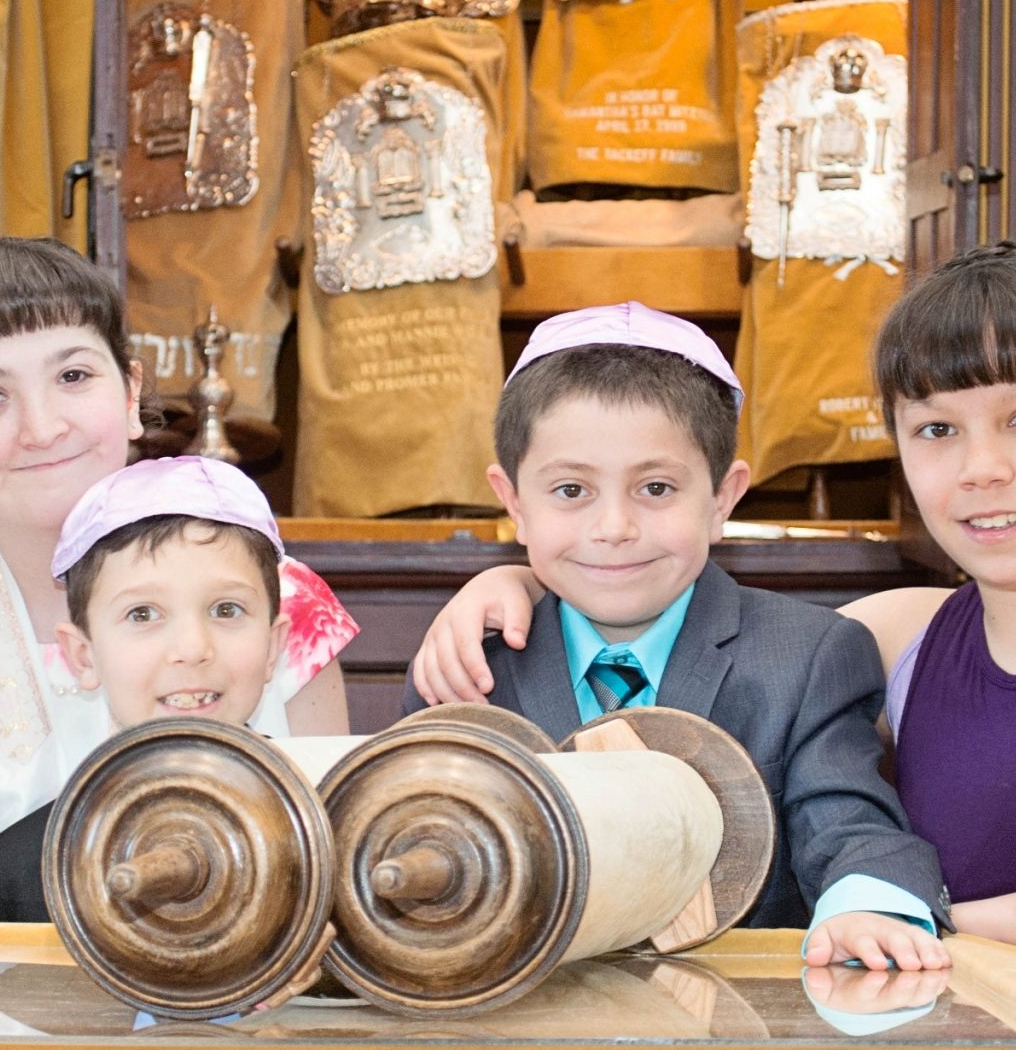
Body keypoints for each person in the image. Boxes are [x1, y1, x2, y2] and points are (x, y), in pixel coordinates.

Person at [412, 247, 1016, 981]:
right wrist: (520, 586)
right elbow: (674, 628)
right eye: (937, 430)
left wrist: (968, 917)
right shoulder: (896, 632)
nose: (982, 467)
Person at [403, 301, 952, 974]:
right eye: (571, 489)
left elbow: (850, 827)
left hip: (729, 1042)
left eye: (656, 488)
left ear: (723, 497)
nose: (613, 527)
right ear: (513, 501)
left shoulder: (808, 657)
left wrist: (868, 904)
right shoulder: (468, 666)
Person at [0, 239, 356, 866]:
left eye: (74, 376)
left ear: (131, 393)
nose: (43, 428)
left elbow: (330, 844)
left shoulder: (278, 594)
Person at [0, 456, 292, 920]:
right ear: (82, 655)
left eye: (226, 610)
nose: (191, 649)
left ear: (273, 646)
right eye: (143, 614)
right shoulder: (23, 872)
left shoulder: (332, 826)